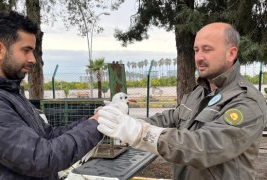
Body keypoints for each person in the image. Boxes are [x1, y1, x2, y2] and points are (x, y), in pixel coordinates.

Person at [97, 22, 267, 180]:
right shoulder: (200, 91)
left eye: (207, 49)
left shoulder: (247, 101)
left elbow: (204, 147)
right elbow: (171, 118)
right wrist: (125, 122)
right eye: (196, 50)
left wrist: (139, 133)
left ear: (231, 53)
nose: (199, 57)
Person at [0, 10, 102, 179]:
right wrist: (95, 127)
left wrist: (94, 121)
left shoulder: (8, 93)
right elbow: (41, 159)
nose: (33, 59)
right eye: (26, 50)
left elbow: (48, 136)